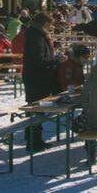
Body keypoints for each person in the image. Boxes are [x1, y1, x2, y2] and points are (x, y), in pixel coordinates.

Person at [22, 12, 62, 151]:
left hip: (37, 77)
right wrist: (57, 59)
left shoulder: (36, 35)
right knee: (36, 109)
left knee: (36, 109)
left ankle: (34, 140)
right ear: (45, 24)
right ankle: (34, 142)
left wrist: (52, 48)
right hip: (37, 78)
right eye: (50, 24)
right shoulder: (36, 36)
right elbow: (40, 60)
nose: (51, 27)